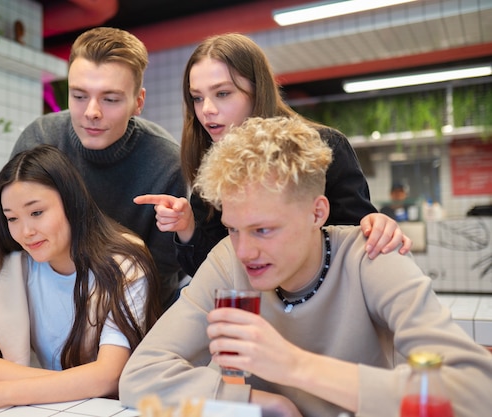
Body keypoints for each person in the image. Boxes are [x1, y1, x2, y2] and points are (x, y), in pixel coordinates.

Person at [119, 116, 492, 417]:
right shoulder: (226, 260)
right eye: (233, 229)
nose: (245, 251)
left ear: (317, 212)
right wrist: (263, 403)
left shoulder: (373, 257)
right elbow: (140, 375)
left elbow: (477, 391)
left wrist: (293, 366)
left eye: (263, 229)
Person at [0, 27, 186, 379]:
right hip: (62, 311)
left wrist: (118, 357)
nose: (92, 112)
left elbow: (161, 271)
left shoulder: (166, 161)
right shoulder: (43, 137)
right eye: (79, 96)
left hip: (131, 315)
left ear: (138, 101)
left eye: (110, 99)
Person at [134, 33, 411, 277]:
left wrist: (376, 227)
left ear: (257, 90)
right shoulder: (212, 162)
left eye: (222, 93)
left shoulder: (322, 147)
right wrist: (187, 227)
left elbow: (358, 237)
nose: (206, 109)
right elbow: (214, 273)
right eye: (197, 97)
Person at [0, 144, 162, 416]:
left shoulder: (124, 266)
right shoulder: (10, 269)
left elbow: (108, 376)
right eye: (12, 218)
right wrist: (75, 383)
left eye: (36, 213)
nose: (26, 231)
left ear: (71, 203)